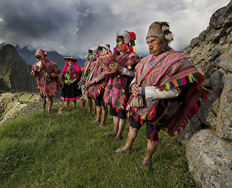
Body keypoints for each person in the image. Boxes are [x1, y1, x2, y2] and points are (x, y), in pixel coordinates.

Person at [115, 21, 209, 168]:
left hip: (157, 108)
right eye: (147, 42)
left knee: (151, 137)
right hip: (139, 104)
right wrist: (133, 86)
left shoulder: (177, 61)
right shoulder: (145, 60)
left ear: (163, 40)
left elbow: (175, 91)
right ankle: (127, 147)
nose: (150, 46)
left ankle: (147, 159)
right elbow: (136, 77)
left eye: (153, 41)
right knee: (133, 127)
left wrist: (145, 91)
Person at [86, 30, 140, 142]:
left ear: (127, 42)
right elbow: (107, 71)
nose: (117, 44)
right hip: (113, 88)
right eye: (117, 42)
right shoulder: (116, 56)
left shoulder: (132, 57)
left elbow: (135, 74)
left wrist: (121, 69)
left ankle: (119, 135)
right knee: (114, 112)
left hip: (123, 89)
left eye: (120, 41)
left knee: (121, 114)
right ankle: (115, 130)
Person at [84, 44, 111, 127]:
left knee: (103, 106)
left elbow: (105, 73)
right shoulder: (96, 62)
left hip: (102, 86)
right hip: (95, 86)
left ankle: (103, 122)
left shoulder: (107, 61)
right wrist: (88, 80)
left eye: (102, 50)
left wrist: (93, 81)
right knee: (97, 104)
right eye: (99, 50)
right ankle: (98, 119)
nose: (100, 52)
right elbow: (92, 72)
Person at [79, 47, 97, 114]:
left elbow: (94, 72)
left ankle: (95, 111)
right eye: (89, 52)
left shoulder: (95, 63)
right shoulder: (86, 62)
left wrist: (87, 78)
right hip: (85, 81)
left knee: (94, 97)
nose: (89, 54)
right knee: (88, 96)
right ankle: (89, 110)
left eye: (91, 52)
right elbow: (84, 71)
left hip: (92, 82)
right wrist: (82, 78)